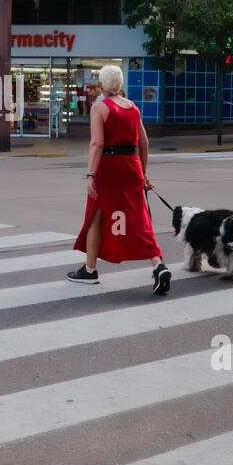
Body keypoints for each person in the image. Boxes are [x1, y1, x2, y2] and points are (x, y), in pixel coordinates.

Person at [67, 64, 171, 296]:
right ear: (121, 83)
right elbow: (144, 143)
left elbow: (97, 144)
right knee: (138, 217)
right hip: (132, 165)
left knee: (96, 214)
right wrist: (143, 174)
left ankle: (90, 269)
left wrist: (91, 174)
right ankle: (158, 265)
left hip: (109, 167)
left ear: (101, 84)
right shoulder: (133, 107)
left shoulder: (100, 108)